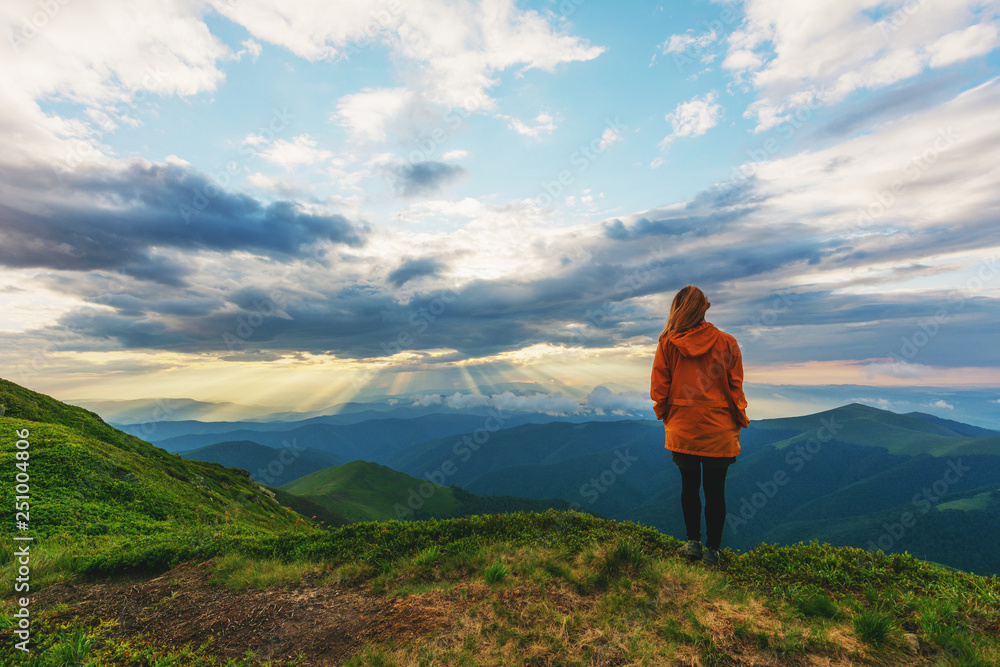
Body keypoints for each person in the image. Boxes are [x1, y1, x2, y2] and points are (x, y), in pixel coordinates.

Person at [650, 285, 749, 566]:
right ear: (703, 308)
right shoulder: (727, 342)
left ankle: (692, 543)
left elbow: (660, 388)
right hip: (718, 429)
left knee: (689, 486)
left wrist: (666, 415)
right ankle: (713, 551)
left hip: (683, 427)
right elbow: (735, 387)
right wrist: (739, 416)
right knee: (716, 491)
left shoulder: (668, 343)